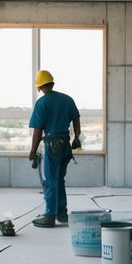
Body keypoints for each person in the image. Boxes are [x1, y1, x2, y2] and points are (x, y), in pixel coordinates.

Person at [28, 70, 81, 227]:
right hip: (65, 145)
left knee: (50, 180)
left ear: (39, 87)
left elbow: (37, 130)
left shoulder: (42, 103)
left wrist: (32, 151)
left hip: (52, 145)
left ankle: (50, 215)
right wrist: (76, 137)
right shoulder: (67, 99)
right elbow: (76, 119)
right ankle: (62, 214)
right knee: (59, 180)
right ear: (52, 83)